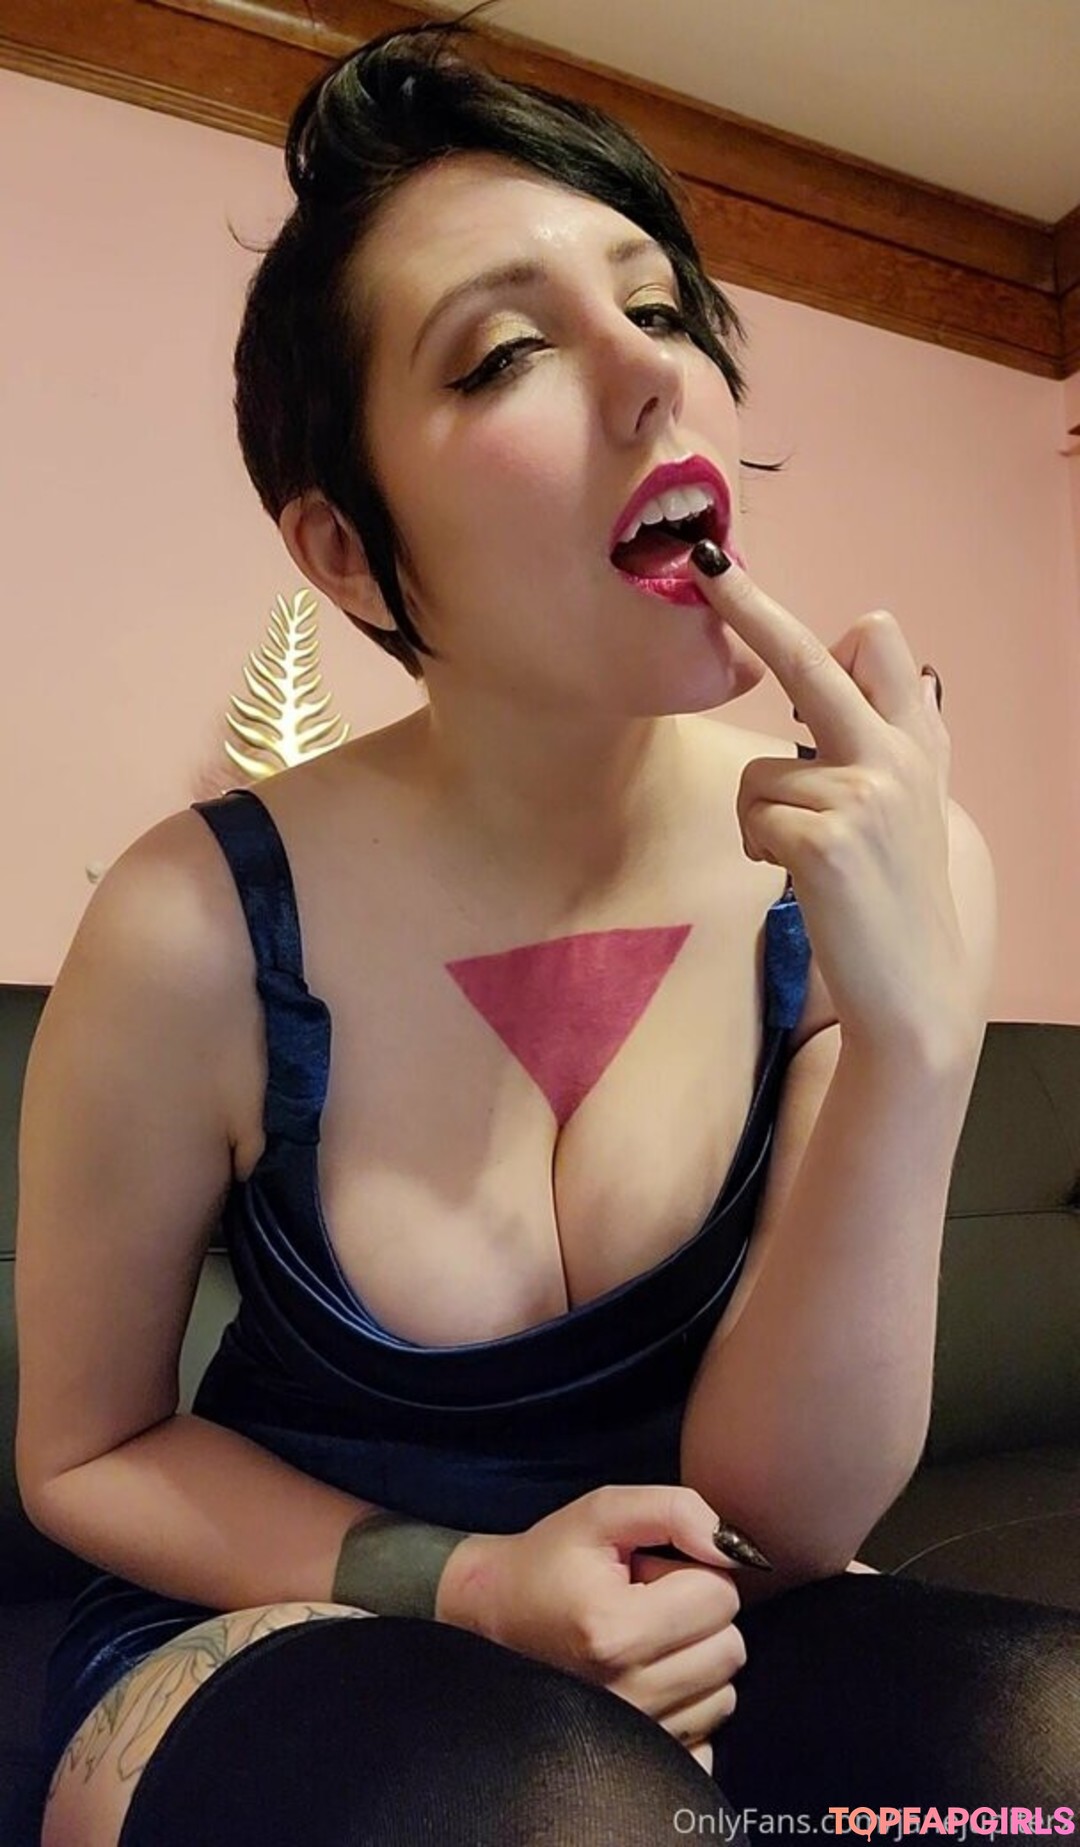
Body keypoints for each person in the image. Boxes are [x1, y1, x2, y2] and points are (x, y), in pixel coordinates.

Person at [15, 15, 1080, 1846]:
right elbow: (87, 1450)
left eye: (660, 308)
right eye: (508, 349)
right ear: (348, 551)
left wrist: (910, 1037)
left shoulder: (880, 870)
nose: (651, 374)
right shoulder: (196, 922)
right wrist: (474, 1581)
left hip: (713, 1617)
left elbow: (783, 1515)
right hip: (304, 1616)